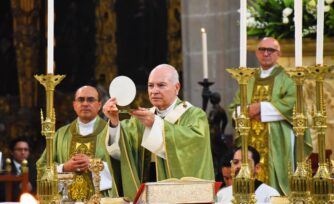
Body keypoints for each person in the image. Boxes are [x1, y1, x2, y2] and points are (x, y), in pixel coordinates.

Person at [103, 64, 215, 200]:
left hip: (179, 197)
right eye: (151, 86)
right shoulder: (141, 119)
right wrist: (114, 122)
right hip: (147, 194)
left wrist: (155, 124)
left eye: (161, 85)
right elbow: (118, 152)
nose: (154, 91)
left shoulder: (195, 116)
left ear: (177, 87)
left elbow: (194, 149)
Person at [228, 37, 312, 195]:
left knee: (277, 180)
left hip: (277, 140)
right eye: (262, 49)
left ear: (278, 53)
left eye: (270, 50)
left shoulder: (288, 78)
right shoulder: (248, 78)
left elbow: (294, 105)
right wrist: (247, 111)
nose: (266, 53)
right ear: (257, 52)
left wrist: (260, 108)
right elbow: (234, 107)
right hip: (250, 137)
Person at [37, 85, 121, 201]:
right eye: (81, 99)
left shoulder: (111, 131)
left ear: (99, 105)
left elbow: (122, 166)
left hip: (101, 200)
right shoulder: (61, 134)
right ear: (74, 105)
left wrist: (93, 165)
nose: (85, 103)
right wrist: (64, 168)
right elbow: (41, 167)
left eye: (90, 100)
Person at [0, 136, 37, 201]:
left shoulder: (34, 169)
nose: (23, 152)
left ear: (29, 152)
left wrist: (31, 188)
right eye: (19, 149)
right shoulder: (4, 168)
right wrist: (18, 188)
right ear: (11, 152)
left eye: (26, 149)